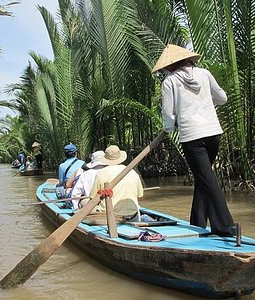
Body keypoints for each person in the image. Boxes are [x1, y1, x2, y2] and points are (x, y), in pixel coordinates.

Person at [152, 44, 235, 236]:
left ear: (170, 65)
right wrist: (205, 103)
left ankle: (225, 227)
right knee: (203, 177)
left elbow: (168, 113)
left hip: (192, 137)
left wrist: (168, 127)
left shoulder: (170, 81)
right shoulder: (204, 74)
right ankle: (197, 223)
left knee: (207, 178)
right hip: (214, 133)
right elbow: (222, 98)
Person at [88, 145, 144, 221]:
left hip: (111, 217)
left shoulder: (101, 174)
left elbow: (93, 198)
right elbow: (140, 197)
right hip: (133, 215)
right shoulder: (132, 171)